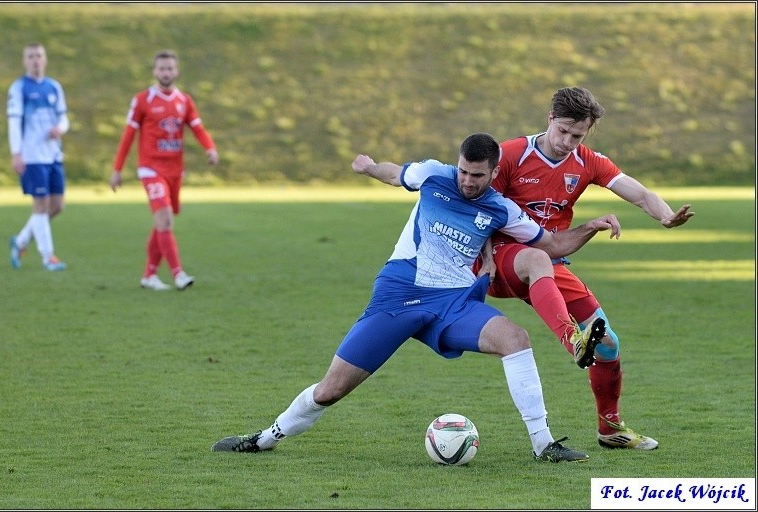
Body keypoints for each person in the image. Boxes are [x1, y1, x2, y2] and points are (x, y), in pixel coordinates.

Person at [212, 133, 623, 462]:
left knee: (516, 340)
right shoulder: (433, 175)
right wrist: (369, 166)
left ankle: (543, 444)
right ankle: (265, 438)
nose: (467, 181)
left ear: (493, 173)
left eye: (478, 176)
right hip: (398, 297)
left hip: (453, 305)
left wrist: (590, 226)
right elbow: (396, 174)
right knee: (330, 391)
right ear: (456, 164)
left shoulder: (502, 210)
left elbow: (550, 244)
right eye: (464, 171)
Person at [472, 86, 695, 451]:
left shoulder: (588, 161)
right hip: (499, 259)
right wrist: (487, 259)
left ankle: (610, 428)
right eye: (563, 132)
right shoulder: (511, 154)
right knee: (539, 261)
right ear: (549, 120)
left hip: (549, 261)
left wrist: (666, 216)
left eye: (577, 136)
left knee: (607, 343)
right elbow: (478, 209)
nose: (567, 142)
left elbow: (638, 193)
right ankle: (572, 340)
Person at [109, 49, 219, 291]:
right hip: (151, 168)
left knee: (163, 222)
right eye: (161, 68)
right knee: (165, 218)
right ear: (154, 71)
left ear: (176, 71)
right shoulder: (142, 100)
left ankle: (149, 275)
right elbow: (128, 136)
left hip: (174, 170)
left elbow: (198, 128)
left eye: (169, 68)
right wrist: (117, 169)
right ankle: (178, 274)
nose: (166, 72)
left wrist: (210, 148)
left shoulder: (184, 101)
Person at [7, 43, 69, 271]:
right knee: (40, 205)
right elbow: (14, 122)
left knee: (57, 206)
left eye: (39, 56)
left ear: (45, 59)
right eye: (31, 56)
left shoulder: (54, 87)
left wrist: (60, 129)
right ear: (25, 61)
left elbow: (64, 118)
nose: (35, 60)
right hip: (32, 156)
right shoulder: (19, 88)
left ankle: (21, 241)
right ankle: (48, 257)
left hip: (53, 155)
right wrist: (16, 153)